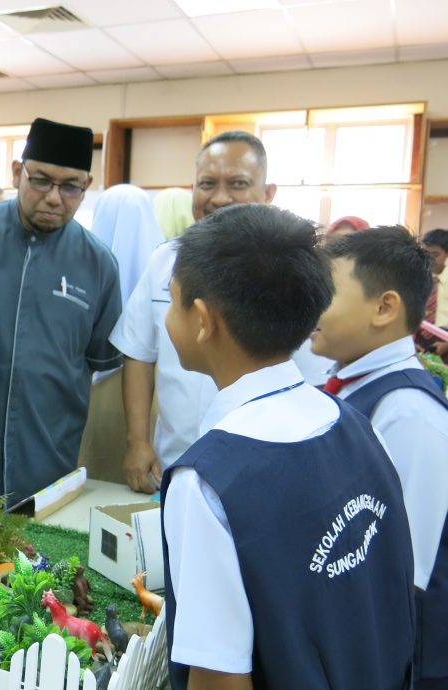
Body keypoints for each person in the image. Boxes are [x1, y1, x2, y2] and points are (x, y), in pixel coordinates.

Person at [162, 204, 415, 690]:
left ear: (203, 320)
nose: (168, 319)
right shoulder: (359, 425)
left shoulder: (208, 483)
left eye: (172, 302)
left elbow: (219, 680)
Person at [110, 130, 333, 493]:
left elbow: (315, 380)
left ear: (268, 193)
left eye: (238, 183)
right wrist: (137, 442)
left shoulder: (290, 272)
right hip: (174, 463)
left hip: (265, 471)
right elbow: (138, 351)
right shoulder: (165, 261)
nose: (220, 198)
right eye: (207, 184)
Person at [0, 118, 123, 504]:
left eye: (70, 187)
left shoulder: (98, 264)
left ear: (87, 186)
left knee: (36, 540)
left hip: (49, 451)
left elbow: (99, 360)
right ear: (17, 173)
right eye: (41, 181)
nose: (54, 198)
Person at [310, 226, 448, 690]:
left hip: (401, 660)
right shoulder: (346, 386)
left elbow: (402, 574)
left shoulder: (409, 413)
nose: (310, 303)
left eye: (326, 291)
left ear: (385, 307)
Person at [78, 184, 163, 483]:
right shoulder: (163, 267)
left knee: (93, 477)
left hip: (89, 391)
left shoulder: (83, 264)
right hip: (148, 392)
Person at [418, 228, 448, 359]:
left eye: (435, 254)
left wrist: (446, 344)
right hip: (419, 335)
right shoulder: (418, 278)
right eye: (426, 254)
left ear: (446, 254)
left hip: (444, 338)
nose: (430, 259)